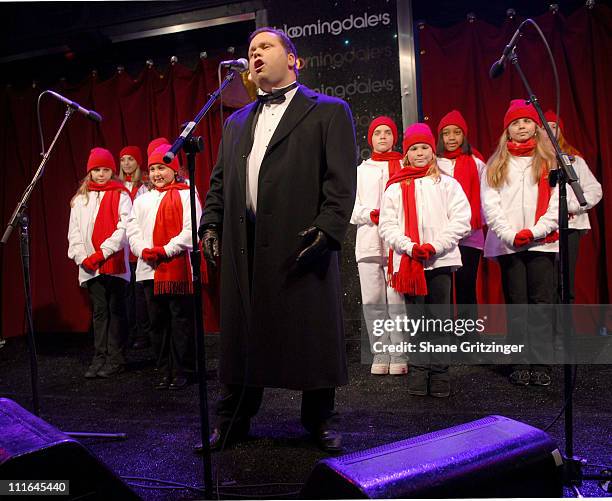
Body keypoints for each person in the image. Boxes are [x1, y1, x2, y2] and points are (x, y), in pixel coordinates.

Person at [198, 27, 357, 453]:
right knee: (241, 335)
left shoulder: (328, 111)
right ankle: (232, 420)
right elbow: (218, 183)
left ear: (292, 59)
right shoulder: (235, 122)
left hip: (300, 240)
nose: (255, 55)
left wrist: (327, 229)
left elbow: (341, 182)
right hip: (243, 243)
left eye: (265, 47)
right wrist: (210, 224)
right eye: (250, 50)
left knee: (311, 332)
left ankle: (320, 420)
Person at [379, 123, 471, 398]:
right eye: (414, 149)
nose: (420, 153)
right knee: (417, 321)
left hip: (440, 261)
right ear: (406, 154)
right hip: (411, 263)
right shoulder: (395, 187)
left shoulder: (447, 184)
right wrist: (409, 246)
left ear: (432, 152)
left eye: (424, 148)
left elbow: (461, 220)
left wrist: (435, 246)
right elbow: (388, 225)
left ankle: (440, 373)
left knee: (439, 320)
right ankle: (419, 371)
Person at [481, 99, 559, 386]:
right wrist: (510, 233)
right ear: (507, 131)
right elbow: (490, 205)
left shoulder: (550, 161)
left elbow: (558, 205)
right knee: (517, 304)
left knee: (541, 304)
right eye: (515, 123)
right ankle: (520, 361)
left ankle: (542, 363)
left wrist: (537, 231)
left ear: (536, 127)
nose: (521, 126)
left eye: (526, 121)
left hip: (542, 242)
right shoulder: (497, 164)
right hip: (509, 243)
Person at [127, 144, 202, 390]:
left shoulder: (186, 192)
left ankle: (184, 369)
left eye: (162, 167)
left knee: (180, 320)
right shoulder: (142, 199)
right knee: (156, 322)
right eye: (153, 169)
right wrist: (142, 250)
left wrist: (165, 250)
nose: (157, 173)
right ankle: (164, 369)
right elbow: (132, 229)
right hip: (149, 268)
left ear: (173, 168)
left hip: (175, 267)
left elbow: (192, 229)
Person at [68, 147, 131, 378]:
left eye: (105, 169)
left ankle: (116, 358)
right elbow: (74, 232)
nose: (101, 174)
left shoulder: (121, 194)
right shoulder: (80, 198)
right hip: (89, 265)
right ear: (90, 172)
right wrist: (81, 257)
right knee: (100, 312)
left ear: (112, 171)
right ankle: (99, 357)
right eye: (96, 170)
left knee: (116, 311)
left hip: (112, 262)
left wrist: (102, 253)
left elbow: (124, 229)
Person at [351, 116, 407, 375]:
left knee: (396, 300)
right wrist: (369, 214)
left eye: (387, 132)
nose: (383, 136)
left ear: (395, 137)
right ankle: (380, 351)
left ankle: (399, 352)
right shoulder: (361, 171)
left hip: (396, 244)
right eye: (377, 133)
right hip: (370, 243)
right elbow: (349, 207)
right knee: (373, 300)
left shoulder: (405, 167)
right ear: (370, 139)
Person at [543, 110, 602, 302]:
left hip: (571, 226)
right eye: (546, 127)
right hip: (543, 227)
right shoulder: (535, 161)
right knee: (546, 280)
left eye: (554, 127)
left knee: (565, 277)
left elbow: (594, 190)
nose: (550, 131)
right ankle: (547, 327)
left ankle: (565, 327)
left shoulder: (575, 160)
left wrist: (571, 206)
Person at [436, 111, 486, 313]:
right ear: (440, 137)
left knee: (466, 286)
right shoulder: (434, 163)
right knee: (443, 289)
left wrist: (476, 222)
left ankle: (468, 336)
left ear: (464, 136)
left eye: (457, 133)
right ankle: (446, 337)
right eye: (446, 133)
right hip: (442, 235)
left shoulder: (476, 162)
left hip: (470, 235)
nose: (451, 138)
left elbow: (485, 196)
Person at [118, 146, 152, 350]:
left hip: (138, 246)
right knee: (127, 295)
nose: (126, 163)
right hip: (123, 248)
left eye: (130, 159)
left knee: (141, 295)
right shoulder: (118, 185)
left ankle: (144, 333)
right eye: (122, 159)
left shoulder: (145, 185)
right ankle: (129, 333)